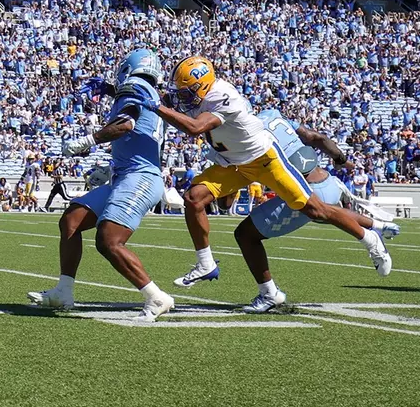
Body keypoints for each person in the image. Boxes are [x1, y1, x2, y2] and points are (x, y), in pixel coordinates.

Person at [154, 56, 392, 287]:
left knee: (316, 210)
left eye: (187, 92)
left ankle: (369, 238)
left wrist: (155, 106)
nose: (183, 98)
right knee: (194, 198)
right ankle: (206, 264)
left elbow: (195, 128)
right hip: (233, 163)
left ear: (203, 86)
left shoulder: (223, 96)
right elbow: (166, 100)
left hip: (263, 160)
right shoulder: (198, 94)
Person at [29, 50, 176, 322]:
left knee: (109, 240)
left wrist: (86, 141)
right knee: (71, 220)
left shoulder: (135, 88)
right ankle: (64, 290)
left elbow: (126, 124)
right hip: (128, 174)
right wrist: (112, 167)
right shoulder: (150, 93)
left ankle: (156, 297)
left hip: (139, 178)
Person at [232, 111, 402, 313]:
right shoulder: (271, 114)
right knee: (326, 214)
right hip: (327, 181)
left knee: (246, 235)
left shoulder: (243, 133)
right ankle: (377, 225)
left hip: (306, 191)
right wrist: (341, 159)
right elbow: (317, 138)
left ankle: (269, 294)